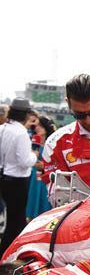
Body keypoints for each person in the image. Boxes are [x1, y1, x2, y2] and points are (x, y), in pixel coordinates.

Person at [0, 98, 39, 251]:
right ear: (25, 115)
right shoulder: (21, 133)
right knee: (16, 221)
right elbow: (25, 161)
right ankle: (7, 252)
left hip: (3, 176)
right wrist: (34, 155)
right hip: (17, 180)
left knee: (13, 219)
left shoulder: (2, 128)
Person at [26, 114, 54, 218]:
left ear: (46, 128)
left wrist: (45, 166)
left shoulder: (51, 145)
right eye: (36, 125)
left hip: (45, 180)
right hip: (33, 179)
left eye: (40, 125)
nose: (37, 128)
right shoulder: (33, 143)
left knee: (44, 207)